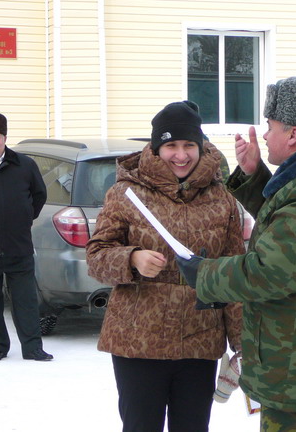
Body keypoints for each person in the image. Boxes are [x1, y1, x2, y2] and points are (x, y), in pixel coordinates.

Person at [176, 76, 296, 431]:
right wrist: (255, 176)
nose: (265, 136)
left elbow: (273, 271)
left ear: (294, 134)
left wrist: (205, 274)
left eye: (270, 127)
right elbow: (295, 236)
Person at [85, 101, 244, 432]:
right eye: (171, 145)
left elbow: (232, 275)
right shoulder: (127, 193)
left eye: (189, 145)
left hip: (199, 342)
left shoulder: (222, 199)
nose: (181, 155)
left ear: (201, 146)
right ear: (157, 148)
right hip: (138, 343)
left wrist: (243, 344)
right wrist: (131, 259)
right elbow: (97, 255)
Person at [0, 111, 52, 362]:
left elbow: (39, 195)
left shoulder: (24, 165)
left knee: (26, 301)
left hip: (18, 246)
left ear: (5, 138)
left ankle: (32, 347)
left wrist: (23, 220)